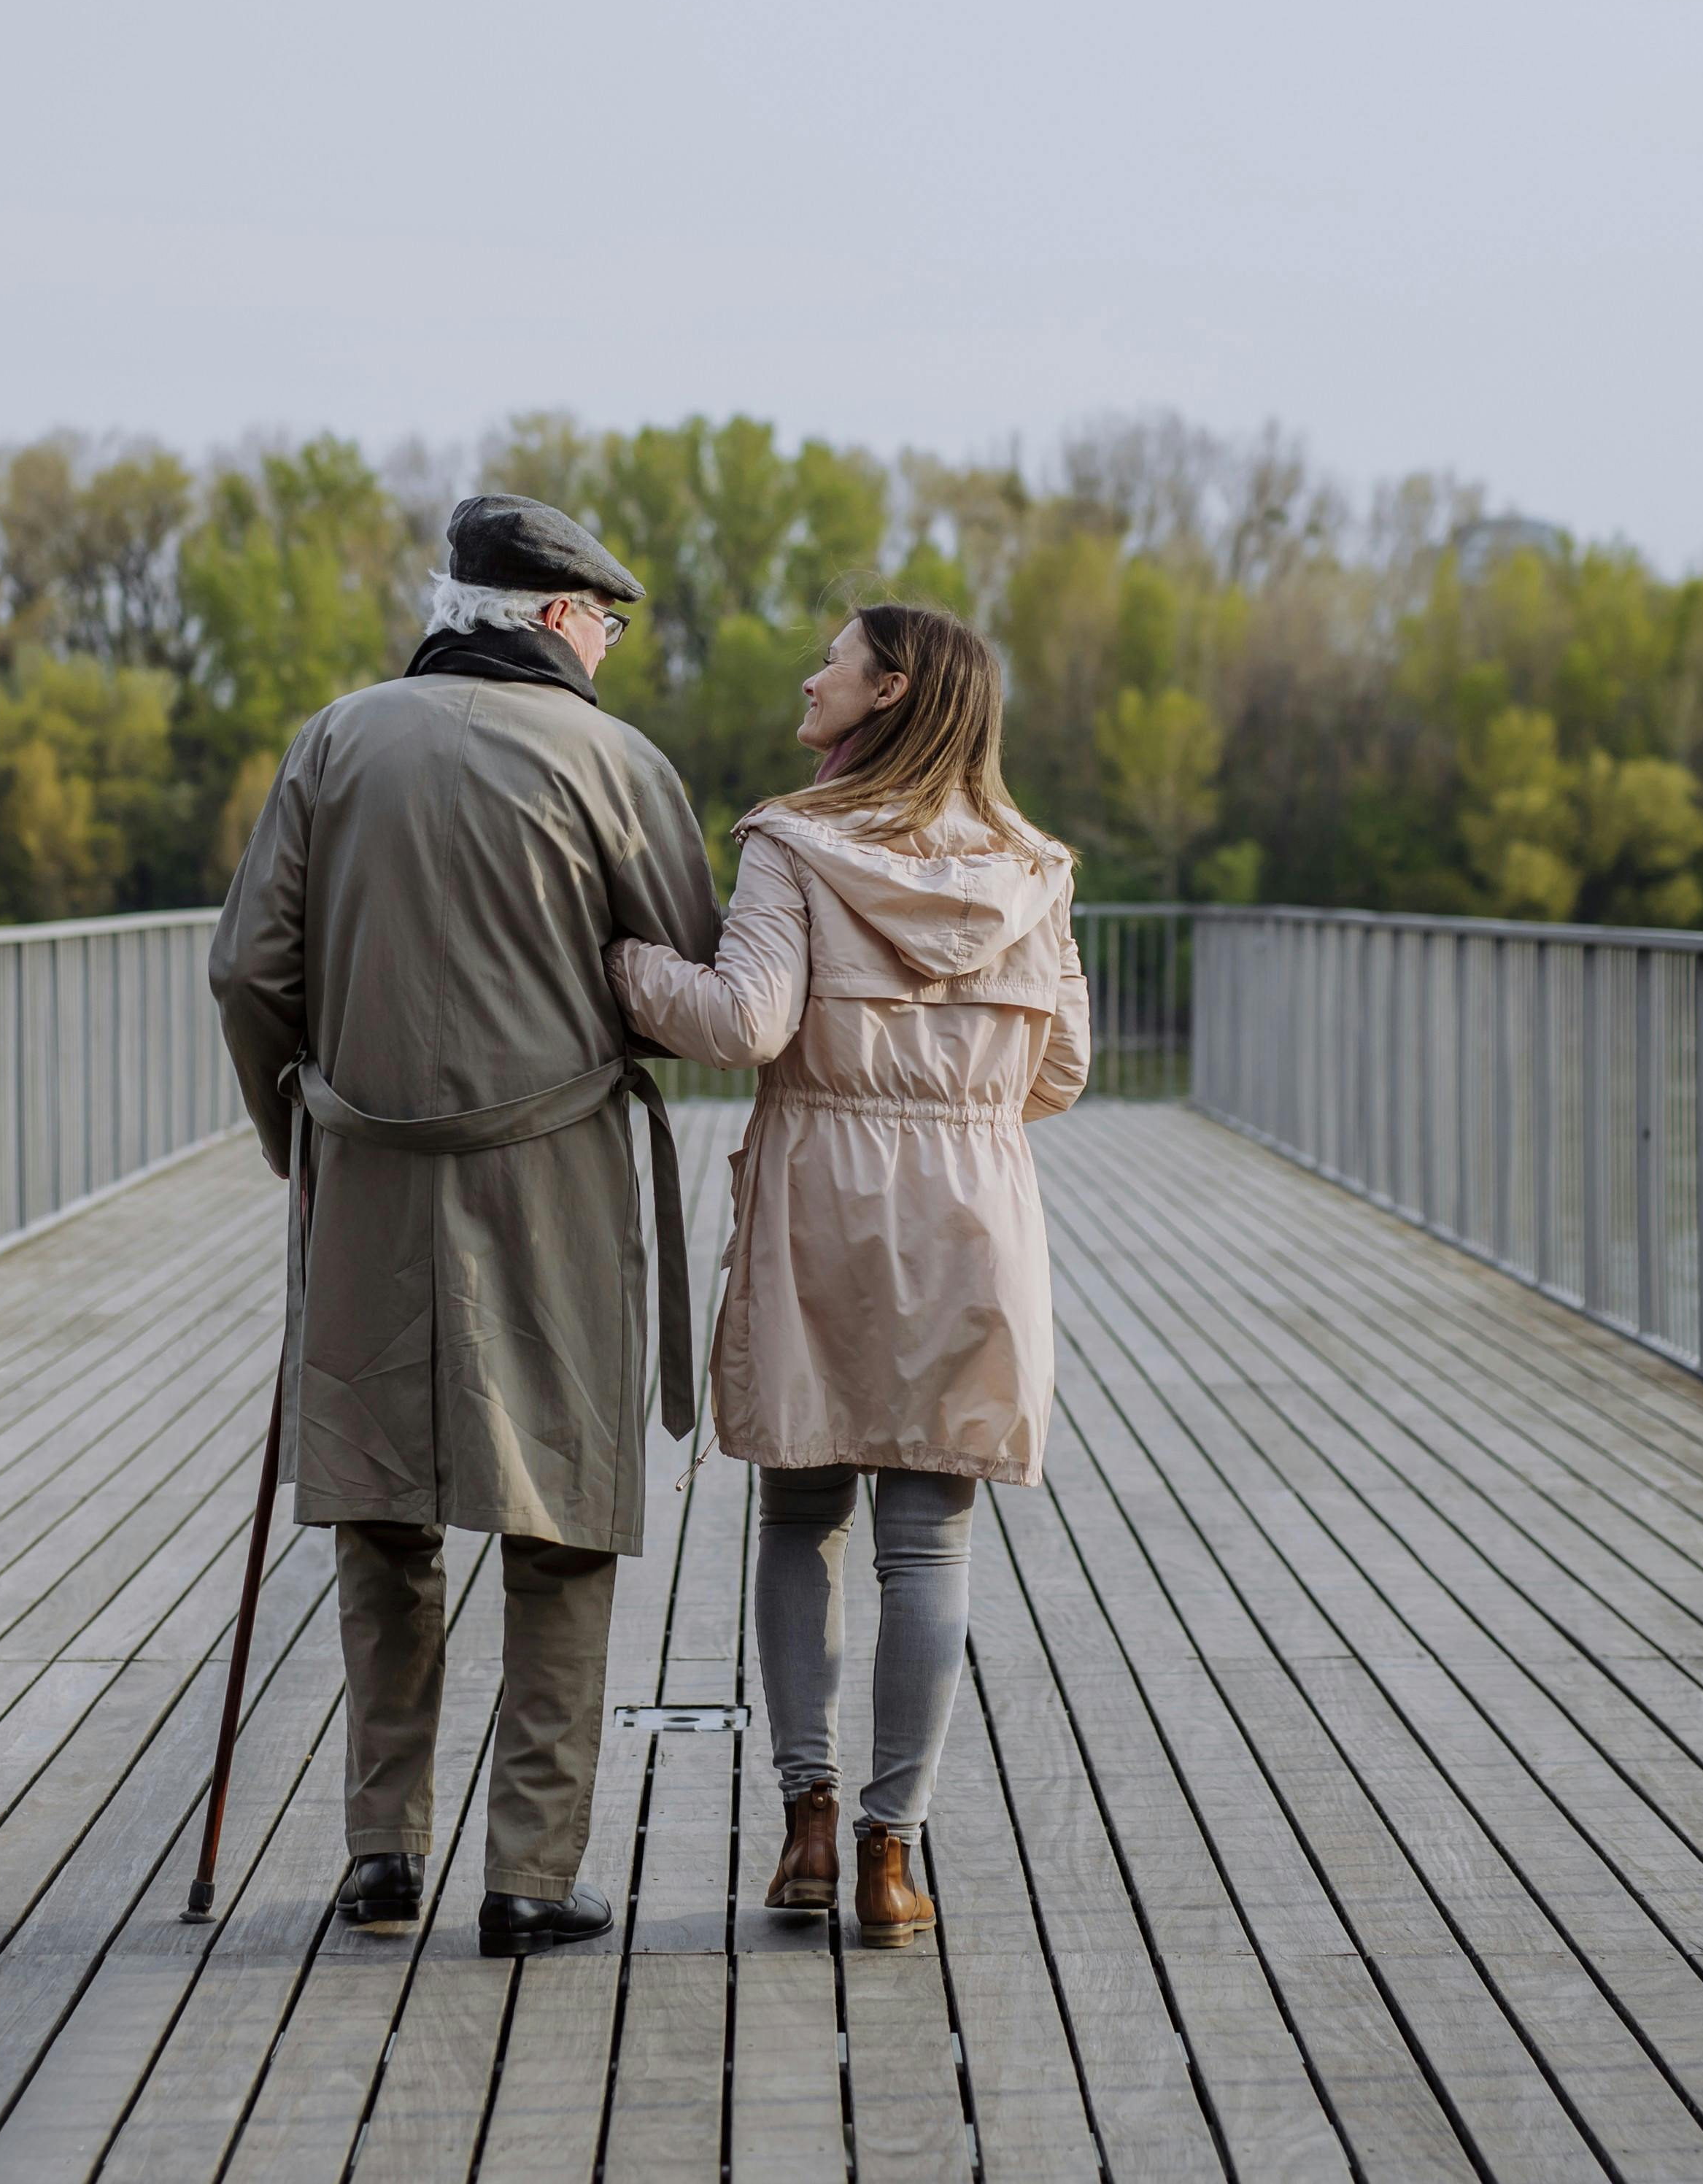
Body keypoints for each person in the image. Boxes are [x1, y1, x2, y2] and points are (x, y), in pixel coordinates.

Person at [209, 493, 719, 1959]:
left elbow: (247, 970)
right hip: (548, 1174)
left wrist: (295, 1136)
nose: (609, 649)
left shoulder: (333, 739)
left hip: (364, 1167)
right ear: (559, 617)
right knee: (558, 1515)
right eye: (606, 625)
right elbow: (680, 984)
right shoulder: (617, 762)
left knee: (380, 1505)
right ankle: (528, 1872)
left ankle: (381, 1851)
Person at [606, 603, 1088, 1943]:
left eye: (832, 657)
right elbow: (1062, 1069)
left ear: (886, 690)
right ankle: (891, 1853)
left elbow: (742, 1018)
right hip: (972, 1216)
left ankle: (806, 1820)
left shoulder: (792, 843)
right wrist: (955, 1110)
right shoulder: (1035, 870)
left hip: (820, 1200)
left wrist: (619, 959)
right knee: (927, 1542)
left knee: (797, 1519)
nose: (808, 676)